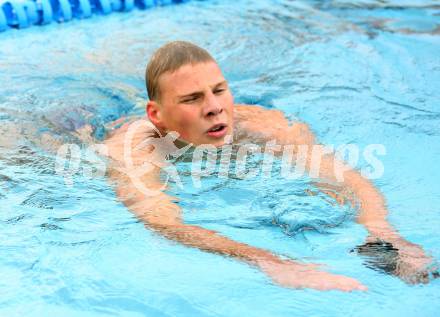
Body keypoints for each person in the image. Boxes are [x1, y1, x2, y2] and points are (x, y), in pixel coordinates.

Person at [104, 41, 435, 291]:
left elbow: (342, 176)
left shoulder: (263, 124)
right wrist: (268, 260)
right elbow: (164, 222)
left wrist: (385, 233)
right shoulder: (134, 149)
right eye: (193, 99)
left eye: (219, 91)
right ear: (156, 115)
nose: (215, 108)